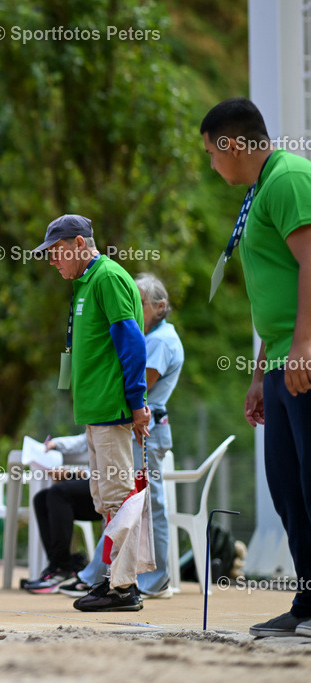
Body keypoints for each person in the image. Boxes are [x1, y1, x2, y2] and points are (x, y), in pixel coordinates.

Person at [201, 98, 311, 638]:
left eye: (211, 153)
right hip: (280, 360)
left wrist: (305, 343)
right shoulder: (258, 191)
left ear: (233, 144)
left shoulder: (288, 177)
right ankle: (309, 601)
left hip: (305, 355)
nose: (211, 164)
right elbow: (273, 289)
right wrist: (258, 373)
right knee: (288, 488)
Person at [31, 275, 185, 598]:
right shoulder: (152, 336)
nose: (133, 307)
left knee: (143, 504)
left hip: (145, 429)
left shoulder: (160, 340)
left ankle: (149, 579)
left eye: (140, 303)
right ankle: (103, 574)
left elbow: (139, 389)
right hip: (141, 427)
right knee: (130, 502)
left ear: (159, 307)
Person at [34, 214, 150, 611]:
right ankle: (112, 580)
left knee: (118, 498)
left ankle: (125, 588)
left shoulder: (108, 278)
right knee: (105, 501)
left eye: (56, 251)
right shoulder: (86, 282)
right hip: (96, 410)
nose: (52, 260)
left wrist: (137, 402)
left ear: (79, 244)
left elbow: (132, 343)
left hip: (112, 409)